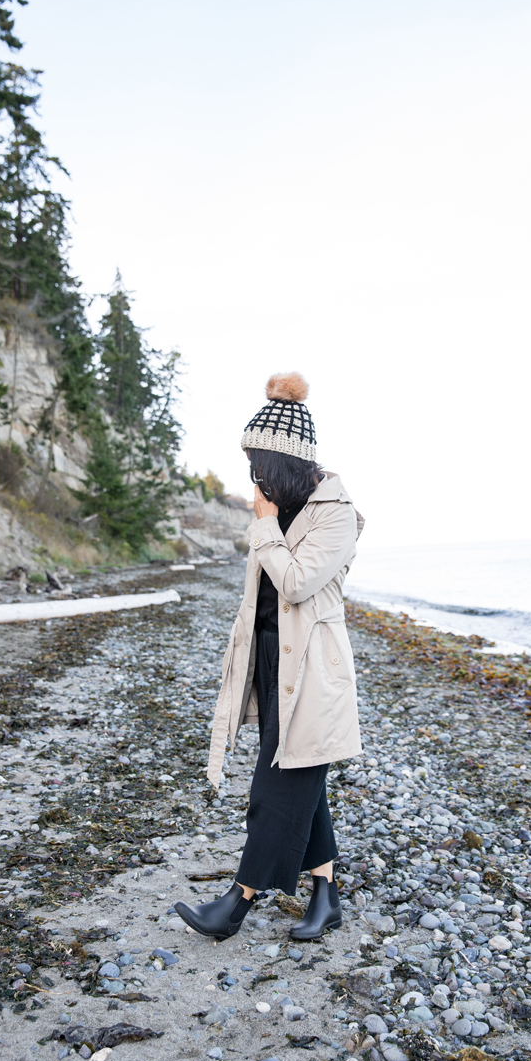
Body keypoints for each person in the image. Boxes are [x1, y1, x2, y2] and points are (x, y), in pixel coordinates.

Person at [175, 372, 364, 942]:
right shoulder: (276, 509)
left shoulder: (334, 512)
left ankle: (239, 901)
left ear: (282, 463)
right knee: (301, 777)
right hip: (269, 659)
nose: (253, 476)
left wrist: (262, 527)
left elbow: (298, 583)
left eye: (259, 464)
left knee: (278, 783)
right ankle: (326, 896)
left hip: (312, 669)